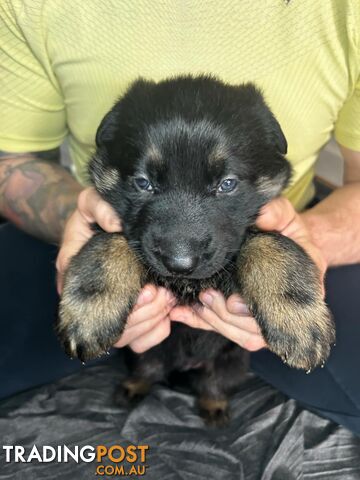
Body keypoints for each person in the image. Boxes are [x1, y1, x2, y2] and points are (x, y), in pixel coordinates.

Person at [0, 1, 359, 434]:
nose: (182, 255)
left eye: (226, 184)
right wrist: (80, 225)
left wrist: (303, 243)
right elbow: (10, 162)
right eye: (144, 182)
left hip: (294, 250)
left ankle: (213, 396)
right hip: (76, 238)